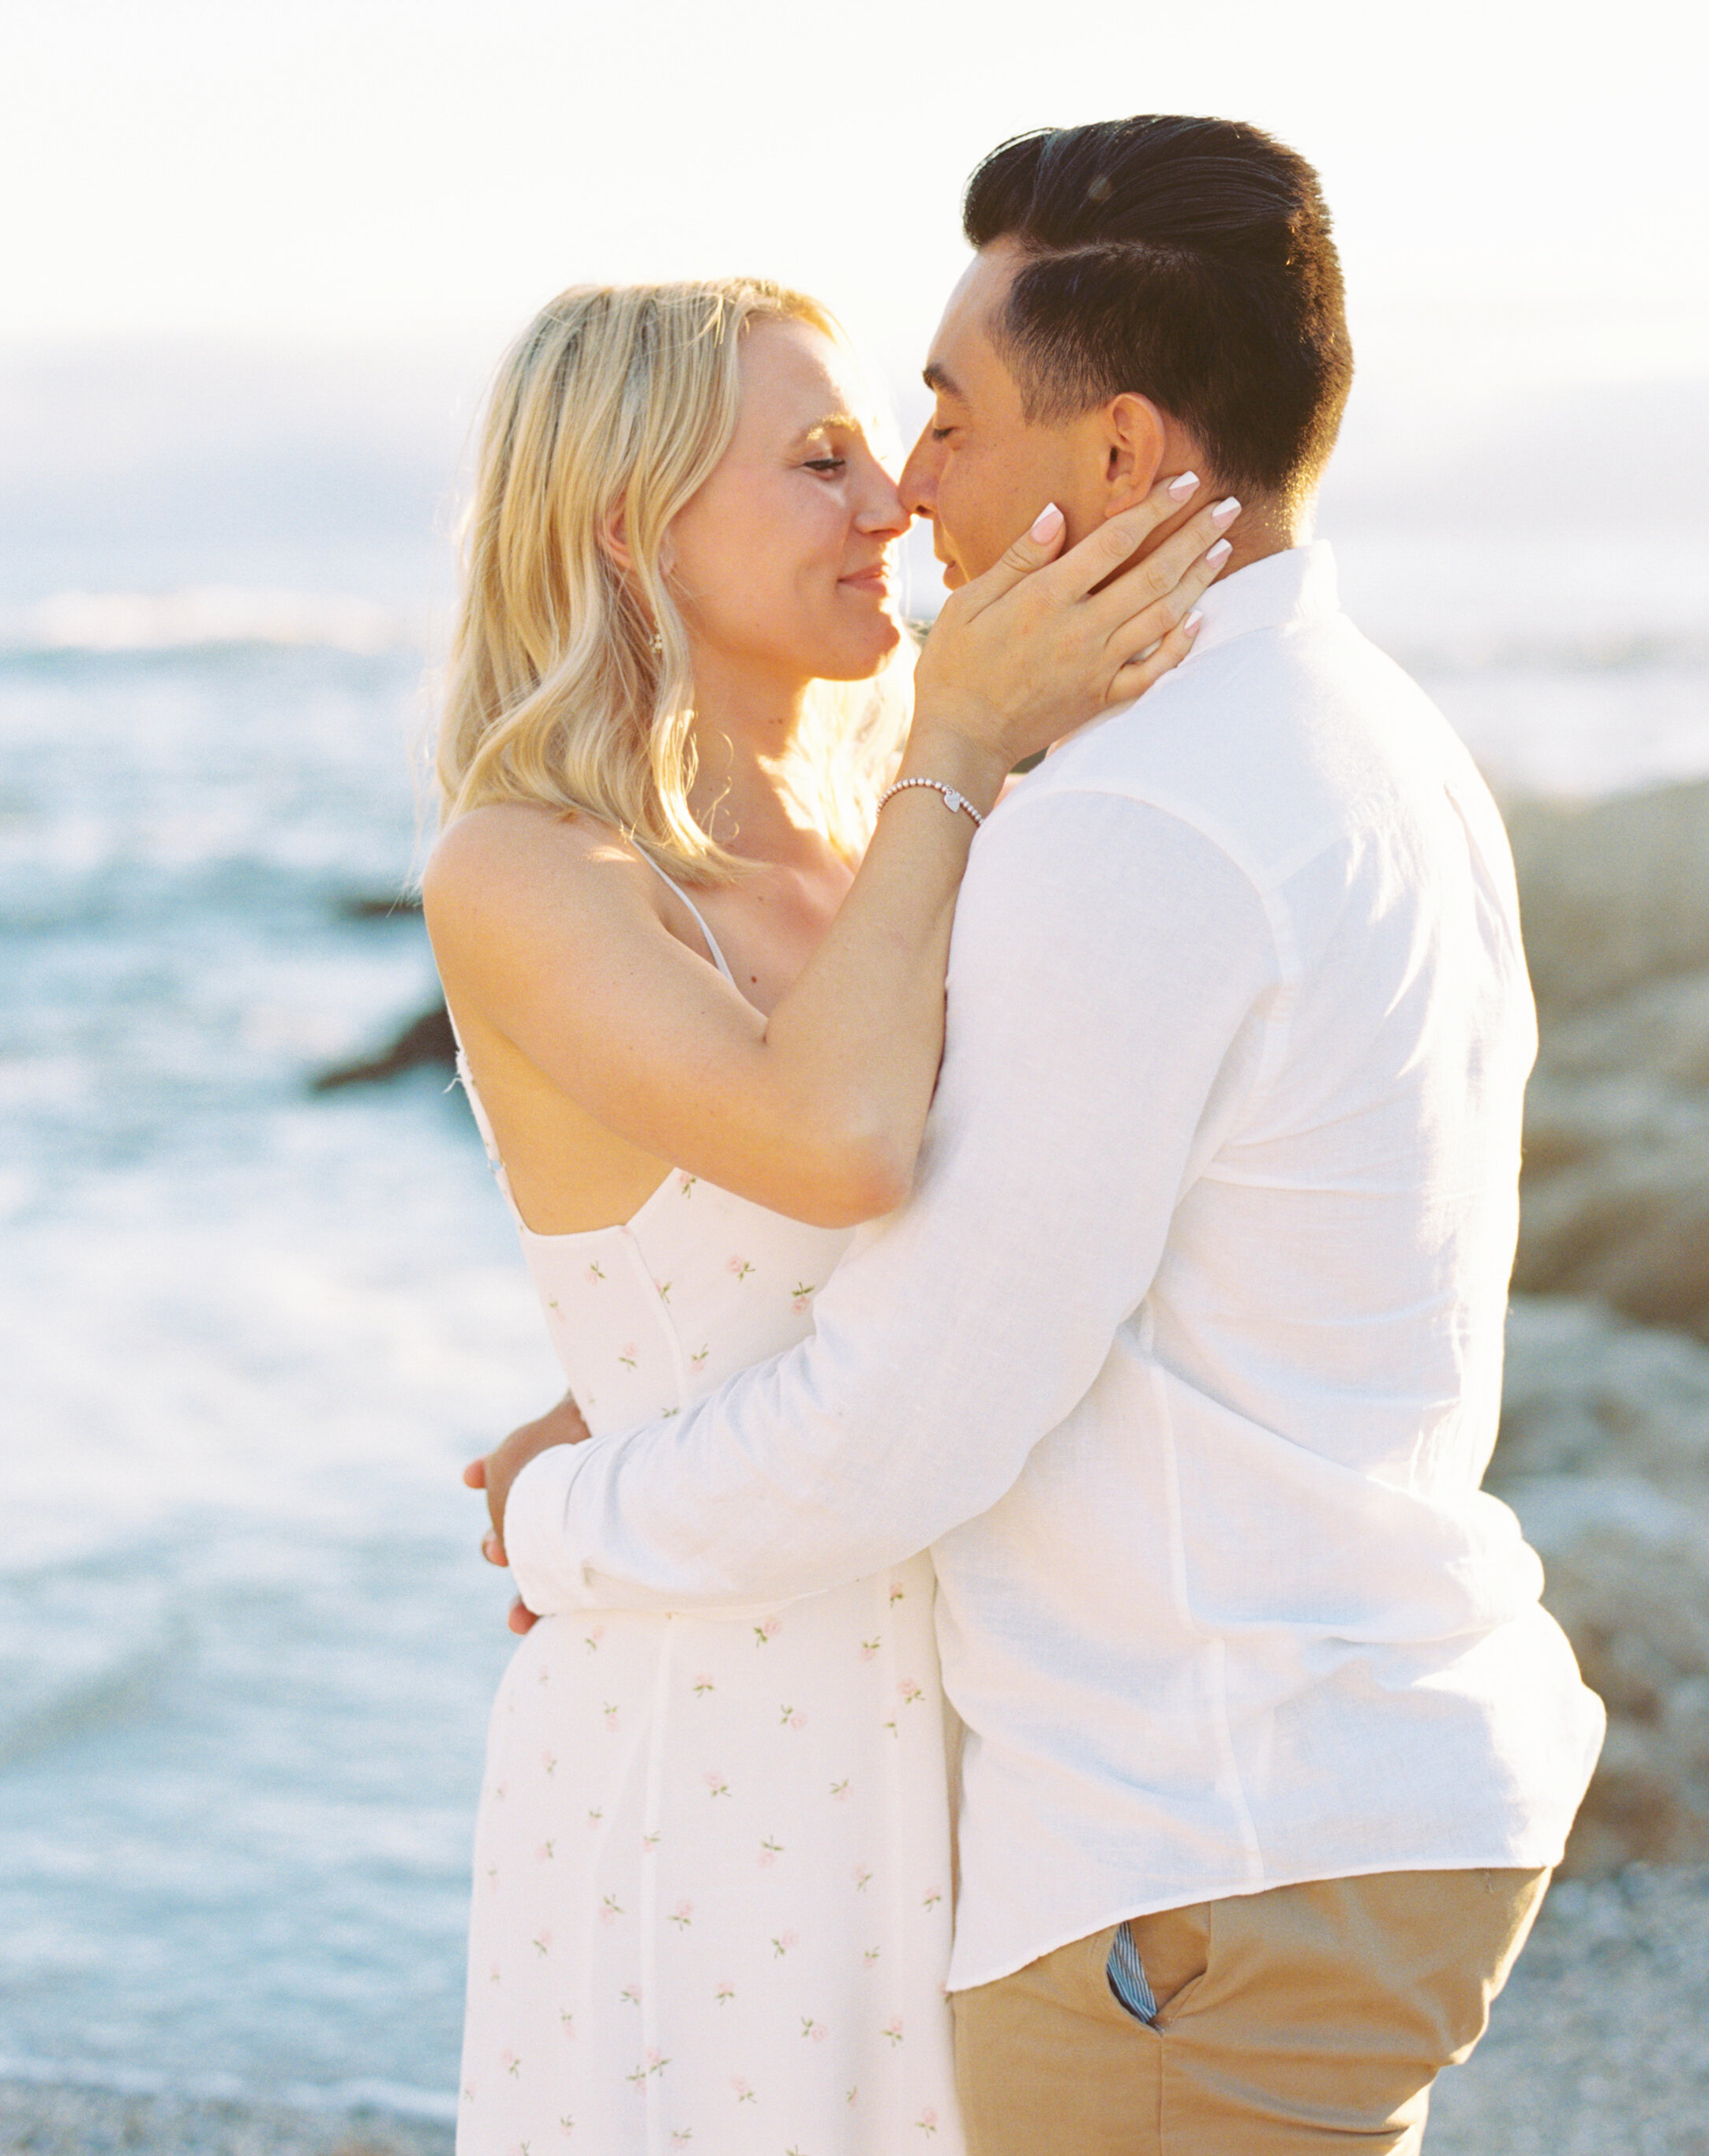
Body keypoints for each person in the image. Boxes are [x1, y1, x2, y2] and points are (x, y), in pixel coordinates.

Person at [476, 120, 1608, 2154]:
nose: (908, 488)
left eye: (931, 416)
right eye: (830, 448)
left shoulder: (1111, 818)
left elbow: (899, 1392)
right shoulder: (1346, 740)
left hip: (1192, 1820)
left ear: (1115, 460)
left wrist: (559, 1518)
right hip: (1072, 1782)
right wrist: (618, 1406)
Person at [422, 273, 1224, 2154]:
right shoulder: (529, 867)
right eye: (816, 458)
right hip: (715, 1743)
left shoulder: (904, 844)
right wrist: (963, 731)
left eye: (877, 448)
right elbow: (843, 1147)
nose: (891, 503)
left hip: (987, 1717)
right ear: (629, 523)